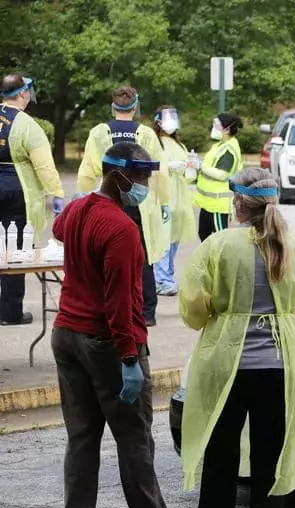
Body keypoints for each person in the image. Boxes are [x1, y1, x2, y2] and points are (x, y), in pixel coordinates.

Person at [179, 167, 295, 508]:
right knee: (271, 458)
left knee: (220, 455)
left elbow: (193, 305)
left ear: (237, 203)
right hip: (280, 367)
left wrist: (219, 313)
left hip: (225, 365)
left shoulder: (218, 245)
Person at [52, 142, 191, 508]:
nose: (146, 186)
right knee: (134, 440)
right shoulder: (122, 230)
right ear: (121, 177)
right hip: (106, 344)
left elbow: (59, 232)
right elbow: (120, 304)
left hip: (66, 335)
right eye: (143, 178)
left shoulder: (77, 210)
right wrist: (129, 359)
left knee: (81, 439)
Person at [77, 86, 169, 327]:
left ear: (113, 106)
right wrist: (165, 201)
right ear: (135, 106)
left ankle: (109, 310)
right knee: (143, 255)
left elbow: (89, 167)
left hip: (108, 198)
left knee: (107, 255)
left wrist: (82, 194)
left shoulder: (99, 132)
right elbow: (160, 170)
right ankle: (147, 313)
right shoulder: (146, 134)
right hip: (139, 201)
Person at [0, 74, 65, 326]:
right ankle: (10, 312)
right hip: (17, 192)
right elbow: (44, 166)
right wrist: (56, 194)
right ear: (23, 94)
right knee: (15, 251)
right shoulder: (26, 124)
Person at [152, 106, 197, 296]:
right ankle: (161, 280)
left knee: (173, 242)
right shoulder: (154, 143)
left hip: (180, 202)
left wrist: (191, 167)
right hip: (163, 198)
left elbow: (187, 173)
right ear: (158, 121)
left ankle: (167, 276)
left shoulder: (180, 146)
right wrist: (168, 166)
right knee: (163, 240)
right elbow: (151, 167)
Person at [194, 113, 243, 242]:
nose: (213, 128)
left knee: (220, 239)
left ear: (227, 129)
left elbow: (223, 175)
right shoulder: (219, 145)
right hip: (208, 203)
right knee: (203, 235)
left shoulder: (229, 149)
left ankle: (220, 262)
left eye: (217, 126)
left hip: (218, 204)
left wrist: (200, 166)